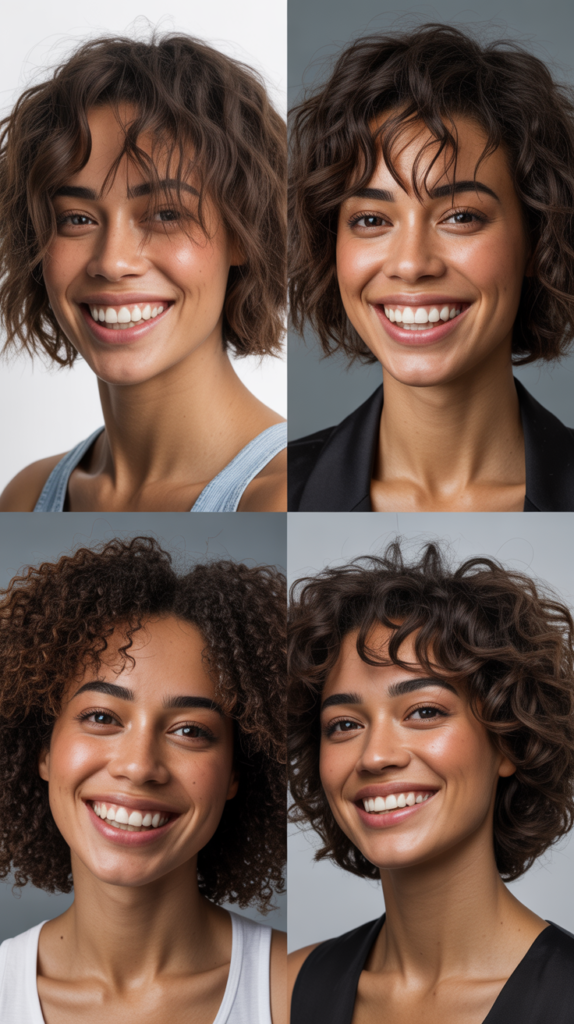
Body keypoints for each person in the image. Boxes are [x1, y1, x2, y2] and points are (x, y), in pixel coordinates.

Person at [0, 536, 286, 1023]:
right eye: (102, 718)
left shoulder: (296, 989)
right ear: (43, 750)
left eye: (190, 731)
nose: (137, 766)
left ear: (236, 773)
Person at [288, 24, 574, 512]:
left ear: (536, 239)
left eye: (460, 217)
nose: (410, 264)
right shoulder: (283, 490)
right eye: (372, 220)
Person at [288, 541, 574, 1023]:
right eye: (345, 724)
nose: (375, 756)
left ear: (508, 740)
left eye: (424, 712)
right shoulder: (288, 990)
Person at [0, 34, 287, 512]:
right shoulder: (26, 498)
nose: (112, 262)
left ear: (243, 232)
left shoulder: (282, 498)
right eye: (76, 219)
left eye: (166, 214)